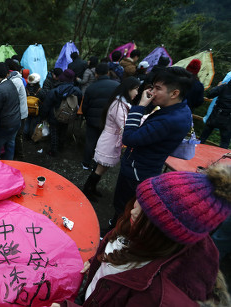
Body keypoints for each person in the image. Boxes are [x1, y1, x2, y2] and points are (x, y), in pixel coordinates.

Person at [57, 164, 231, 306]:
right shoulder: (138, 229)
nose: (132, 211)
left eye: (144, 213)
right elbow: (116, 239)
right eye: (138, 201)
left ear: (163, 233)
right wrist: (97, 260)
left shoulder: (155, 297)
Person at [109, 67, 193, 228]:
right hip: (148, 167)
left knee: (124, 207)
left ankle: (113, 232)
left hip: (137, 171)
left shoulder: (169, 120)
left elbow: (129, 138)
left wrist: (140, 106)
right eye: (152, 87)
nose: (152, 92)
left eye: (158, 88)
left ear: (174, 93)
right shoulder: (181, 109)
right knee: (130, 206)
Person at [83, 77, 140, 201]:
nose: (137, 92)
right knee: (100, 168)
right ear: (128, 89)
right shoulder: (119, 104)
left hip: (111, 139)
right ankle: (87, 190)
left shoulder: (121, 102)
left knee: (103, 168)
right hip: (109, 140)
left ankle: (91, 188)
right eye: (136, 89)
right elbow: (124, 124)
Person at [81, 63, 119, 169]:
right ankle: (98, 164)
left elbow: (85, 107)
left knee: (90, 141)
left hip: (92, 121)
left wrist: (87, 117)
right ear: (108, 72)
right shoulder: (117, 86)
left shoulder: (91, 87)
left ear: (96, 74)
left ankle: (86, 163)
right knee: (103, 142)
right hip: (109, 121)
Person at [41, 69, 82, 157]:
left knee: (54, 132)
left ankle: (53, 150)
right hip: (68, 115)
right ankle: (61, 147)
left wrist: (43, 116)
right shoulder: (77, 91)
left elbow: (46, 105)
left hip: (54, 115)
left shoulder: (55, 91)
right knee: (63, 130)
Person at [0, 62, 21, 160]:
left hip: (4, 125)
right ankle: (9, 165)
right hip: (15, 121)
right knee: (10, 145)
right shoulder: (11, 83)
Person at [6, 59, 28, 160]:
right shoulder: (16, 78)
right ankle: (18, 154)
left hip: (20, 113)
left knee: (18, 136)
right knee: (17, 135)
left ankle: (20, 156)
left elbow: (11, 97)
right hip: (20, 112)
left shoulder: (15, 81)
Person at [200, 80, 231, 149]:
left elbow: (209, 95)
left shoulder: (224, 87)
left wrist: (218, 86)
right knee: (224, 143)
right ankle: (222, 159)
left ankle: (193, 154)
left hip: (216, 114)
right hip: (228, 117)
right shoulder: (224, 87)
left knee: (203, 138)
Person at [24, 73, 47, 137]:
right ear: (38, 81)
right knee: (35, 124)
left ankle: (25, 134)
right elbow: (44, 101)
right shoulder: (40, 91)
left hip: (27, 110)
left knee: (27, 122)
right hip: (37, 111)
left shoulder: (25, 89)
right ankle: (33, 135)